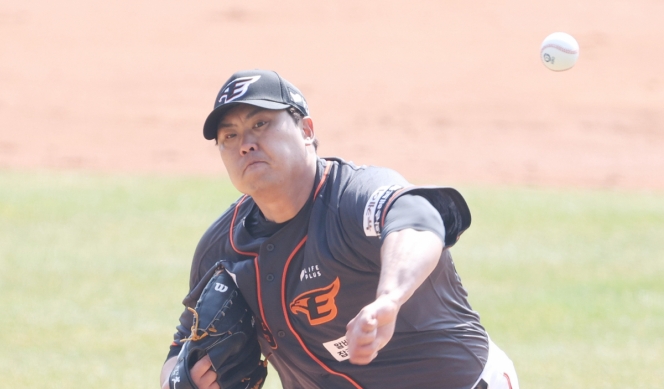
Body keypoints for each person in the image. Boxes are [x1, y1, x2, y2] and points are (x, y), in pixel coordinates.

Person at [159, 69, 519, 389]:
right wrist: (182, 380)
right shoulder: (222, 248)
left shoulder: (352, 196)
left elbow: (417, 220)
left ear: (306, 130)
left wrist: (389, 299)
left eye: (260, 124)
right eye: (230, 136)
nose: (246, 144)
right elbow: (180, 346)